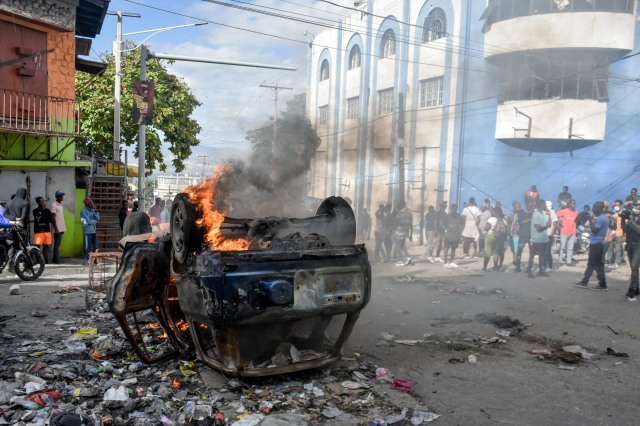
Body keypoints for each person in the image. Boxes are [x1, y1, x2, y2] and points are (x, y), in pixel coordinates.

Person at [576, 201, 608, 290]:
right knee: (596, 265)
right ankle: (591, 282)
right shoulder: (602, 217)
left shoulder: (601, 218)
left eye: (594, 207)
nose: (593, 209)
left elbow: (594, 230)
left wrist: (590, 219)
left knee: (594, 264)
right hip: (597, 243)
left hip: (597, 244)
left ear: (599, 208)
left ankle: (589, 282)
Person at [620, 198, 640, 300]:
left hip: (638, 246)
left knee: (634, 266)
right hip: (630, 245)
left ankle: (632, 289)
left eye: (637, 206)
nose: (635, 208)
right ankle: (637, 287)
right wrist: (623, 219)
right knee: (633, 268)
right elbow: (625, 229)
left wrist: (630, 220)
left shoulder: (634, 218)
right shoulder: (632, 217)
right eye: (634, 206)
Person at [526, 199, 551, 279]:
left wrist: (549, 215)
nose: (545, 206)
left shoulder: (543, 214)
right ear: (540, 205)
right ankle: (529, 271)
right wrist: (547, 226)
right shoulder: (536, 214)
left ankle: (540, 271)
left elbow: (549, 224)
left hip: (544, 238)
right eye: (544, 204)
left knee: (542, 255)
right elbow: (538, 227)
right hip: (537, 238)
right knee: (532, 254)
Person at [482, 207, 507, 272]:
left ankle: (484, 268)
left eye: (493, 211)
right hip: (498, 237)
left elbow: (486, 228)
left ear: (495, 212)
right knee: (495, 253)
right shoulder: (503, 220)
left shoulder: (491, 219)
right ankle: (495, 267)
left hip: (490, 236)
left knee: (487, 252)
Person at [515, 199, 535, 273]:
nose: (532, 204)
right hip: (523, 234)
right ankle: (518, 267)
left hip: (530, 235)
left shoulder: (533, 212)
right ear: (527, 203)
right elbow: (520, 222)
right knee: (519, 250)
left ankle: (529, 267)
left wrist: (533, 213)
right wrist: (529, 220)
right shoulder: (521, 212)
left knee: (532, 251)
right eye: (531, 203)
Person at [557, 199, 579, 267]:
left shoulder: (576, 212)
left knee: (570, 248)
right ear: (569, 204)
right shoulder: (564, 211)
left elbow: (575, 220)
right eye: (572, 203)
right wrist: (559, 223)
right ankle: (560, 261)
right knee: (562, 247)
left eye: (575, 204)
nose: (574, 205)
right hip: (564, 232)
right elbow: (556, 215)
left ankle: (568, 261)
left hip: (572, 233)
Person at [32, 197, 53, 263]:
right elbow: (38, 219)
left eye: (43, 201)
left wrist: (43, 219)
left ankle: (46, 260)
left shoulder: (47, 211)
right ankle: (38, 260)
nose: (43, 203)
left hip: (47, 230)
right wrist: (44, 217)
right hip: (39, 231)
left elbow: (51, 220)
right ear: (38, 202)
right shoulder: (35, 211)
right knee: (37, 246)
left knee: (46, 246)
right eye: (41, 201)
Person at [443, 203, 464, 268]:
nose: (453, 210)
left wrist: (459, 229)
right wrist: (446, 228)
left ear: (456, 210)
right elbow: (441, 222)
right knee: (446, 249)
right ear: (450, 209)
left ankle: (451, 261)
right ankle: (445, 263)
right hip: (448, 235)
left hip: (455, 235)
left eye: (454, 209)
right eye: (452, 209)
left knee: (453, 249)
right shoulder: (447, 216)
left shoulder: (459, 216)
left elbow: (462, 223)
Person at [81, 198, 100, 265]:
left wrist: (96, 211)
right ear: (87, 204)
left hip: (93, 230)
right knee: (88, 246)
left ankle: (95, 260)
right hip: (88, 231)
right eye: (91, 203)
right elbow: (88, 221)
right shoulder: (83, 212)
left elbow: (98, 218)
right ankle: (88, 260)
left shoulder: (92, 210)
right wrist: (94, 221)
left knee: (96, 245)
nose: (92, 204)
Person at [606, 200, 624, 268]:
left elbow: (625, 225)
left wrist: (624, 235)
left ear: (621, 206)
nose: (616, 207)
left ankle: (617, 262)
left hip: (619, 233)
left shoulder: (623, 214)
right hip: (611, 233)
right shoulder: (612, 213)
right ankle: (608, 262)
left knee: (618, 249)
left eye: (618, 205)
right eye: (615, 205)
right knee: (610, 248)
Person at [50, 190, 66, 264]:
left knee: (58, 244)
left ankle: (55, 258)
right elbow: (53, 218)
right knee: (56, 245)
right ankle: (56, 259)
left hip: (60, 227)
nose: (61, 197)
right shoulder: (54, 205)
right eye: (60, 196)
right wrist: (56, 229)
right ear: (56, 196)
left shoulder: (60, 204)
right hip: (57, 228)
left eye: (62, 195)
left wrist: (62, 228)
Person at [543, 201, 558, 270]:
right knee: (543, 251)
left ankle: (550, 266)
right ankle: (544, 265)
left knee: (548, 251)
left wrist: (551, 235)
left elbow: (554, 225)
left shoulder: (553, 214)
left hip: (549, 235)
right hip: (544, 235)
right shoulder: (544, 213)